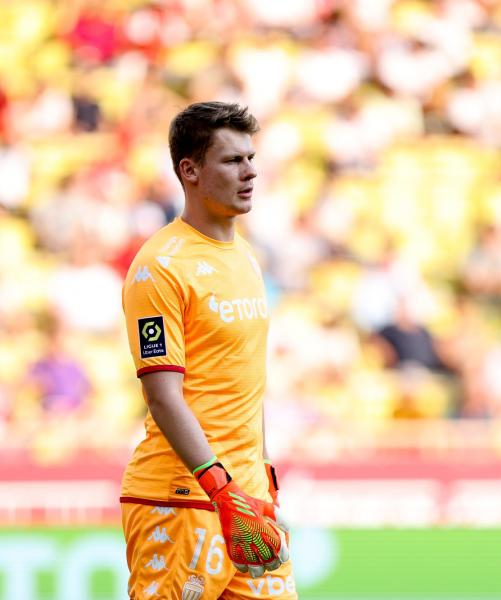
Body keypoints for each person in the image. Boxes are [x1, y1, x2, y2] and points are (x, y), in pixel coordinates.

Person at [120, 101, 296, 599]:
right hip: (180, 500)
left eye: (251, 158)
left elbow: (245, 382)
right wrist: (220, 489)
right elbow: (163, 396)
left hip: (246, 502)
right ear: (190, 170)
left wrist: (262, 481)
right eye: (232, 160)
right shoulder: (159, 267)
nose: (250, 171)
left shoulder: (246, 257)